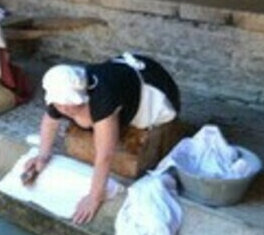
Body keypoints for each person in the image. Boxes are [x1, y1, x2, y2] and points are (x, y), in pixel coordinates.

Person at [24, 53, 181, 225]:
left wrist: (94, 196)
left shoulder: (103, 98)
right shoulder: (59, 88)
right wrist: (42, 156)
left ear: (81, 94)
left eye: (70, 104)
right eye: (60, 105)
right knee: (85, 119)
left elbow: (105, 154)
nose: (64, 108)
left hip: (156, 90)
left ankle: (131, 111)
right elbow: (49, 123)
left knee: (94, 121)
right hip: (120, 74)